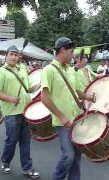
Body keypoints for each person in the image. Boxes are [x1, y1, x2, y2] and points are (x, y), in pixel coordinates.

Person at [41, 37, 95, 180]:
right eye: (71, 52)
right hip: (62, 122)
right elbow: (44, 98)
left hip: (76, 118)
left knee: (76, 156)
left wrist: (89, 98)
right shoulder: (48, 70)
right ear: (63, 50)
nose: (72, 55)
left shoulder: (70, 70)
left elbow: (76, 91)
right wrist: (61, 116)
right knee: (68, 155)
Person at [0, 45, 40, 178]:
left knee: (26, 141)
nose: (14, 57)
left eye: (16, 55)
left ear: (19, 57)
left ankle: (27, 168)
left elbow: (28, 88)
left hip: (25, 111)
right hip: (11, 113)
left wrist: (39, 84)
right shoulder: (1, 71)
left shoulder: (22, 69)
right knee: (11, 140)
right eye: (11, 54)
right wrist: (11, 98)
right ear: (6, 56)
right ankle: (5, 162)